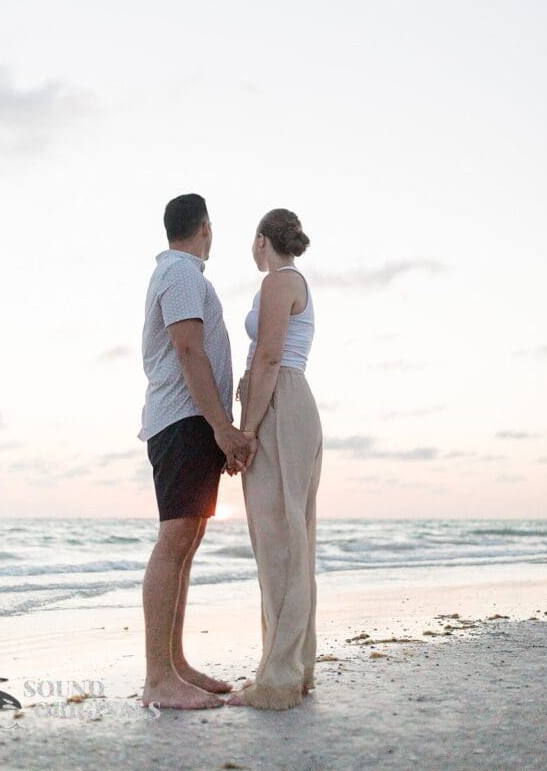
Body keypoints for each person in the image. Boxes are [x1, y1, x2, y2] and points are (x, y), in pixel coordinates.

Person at [139, 193, 257, 710]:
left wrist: (218, 430)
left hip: (192, 423)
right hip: (183, 422)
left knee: (186, 541)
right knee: (174, 541)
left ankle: (176, 665)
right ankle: (158, 678)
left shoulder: (180, 274)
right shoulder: (182, 274)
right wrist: (223, 429)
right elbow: (188, 350)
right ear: (205, 227)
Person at [226, 208, 323, 710]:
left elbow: (267, 357)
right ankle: (291, 667)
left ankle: (278, 680)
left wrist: (247, 430)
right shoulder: (288, 282)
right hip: (287, 400)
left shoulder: (279, 282)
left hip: (280, 402)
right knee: (290, 539)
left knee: (279, 541)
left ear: (262, 240)